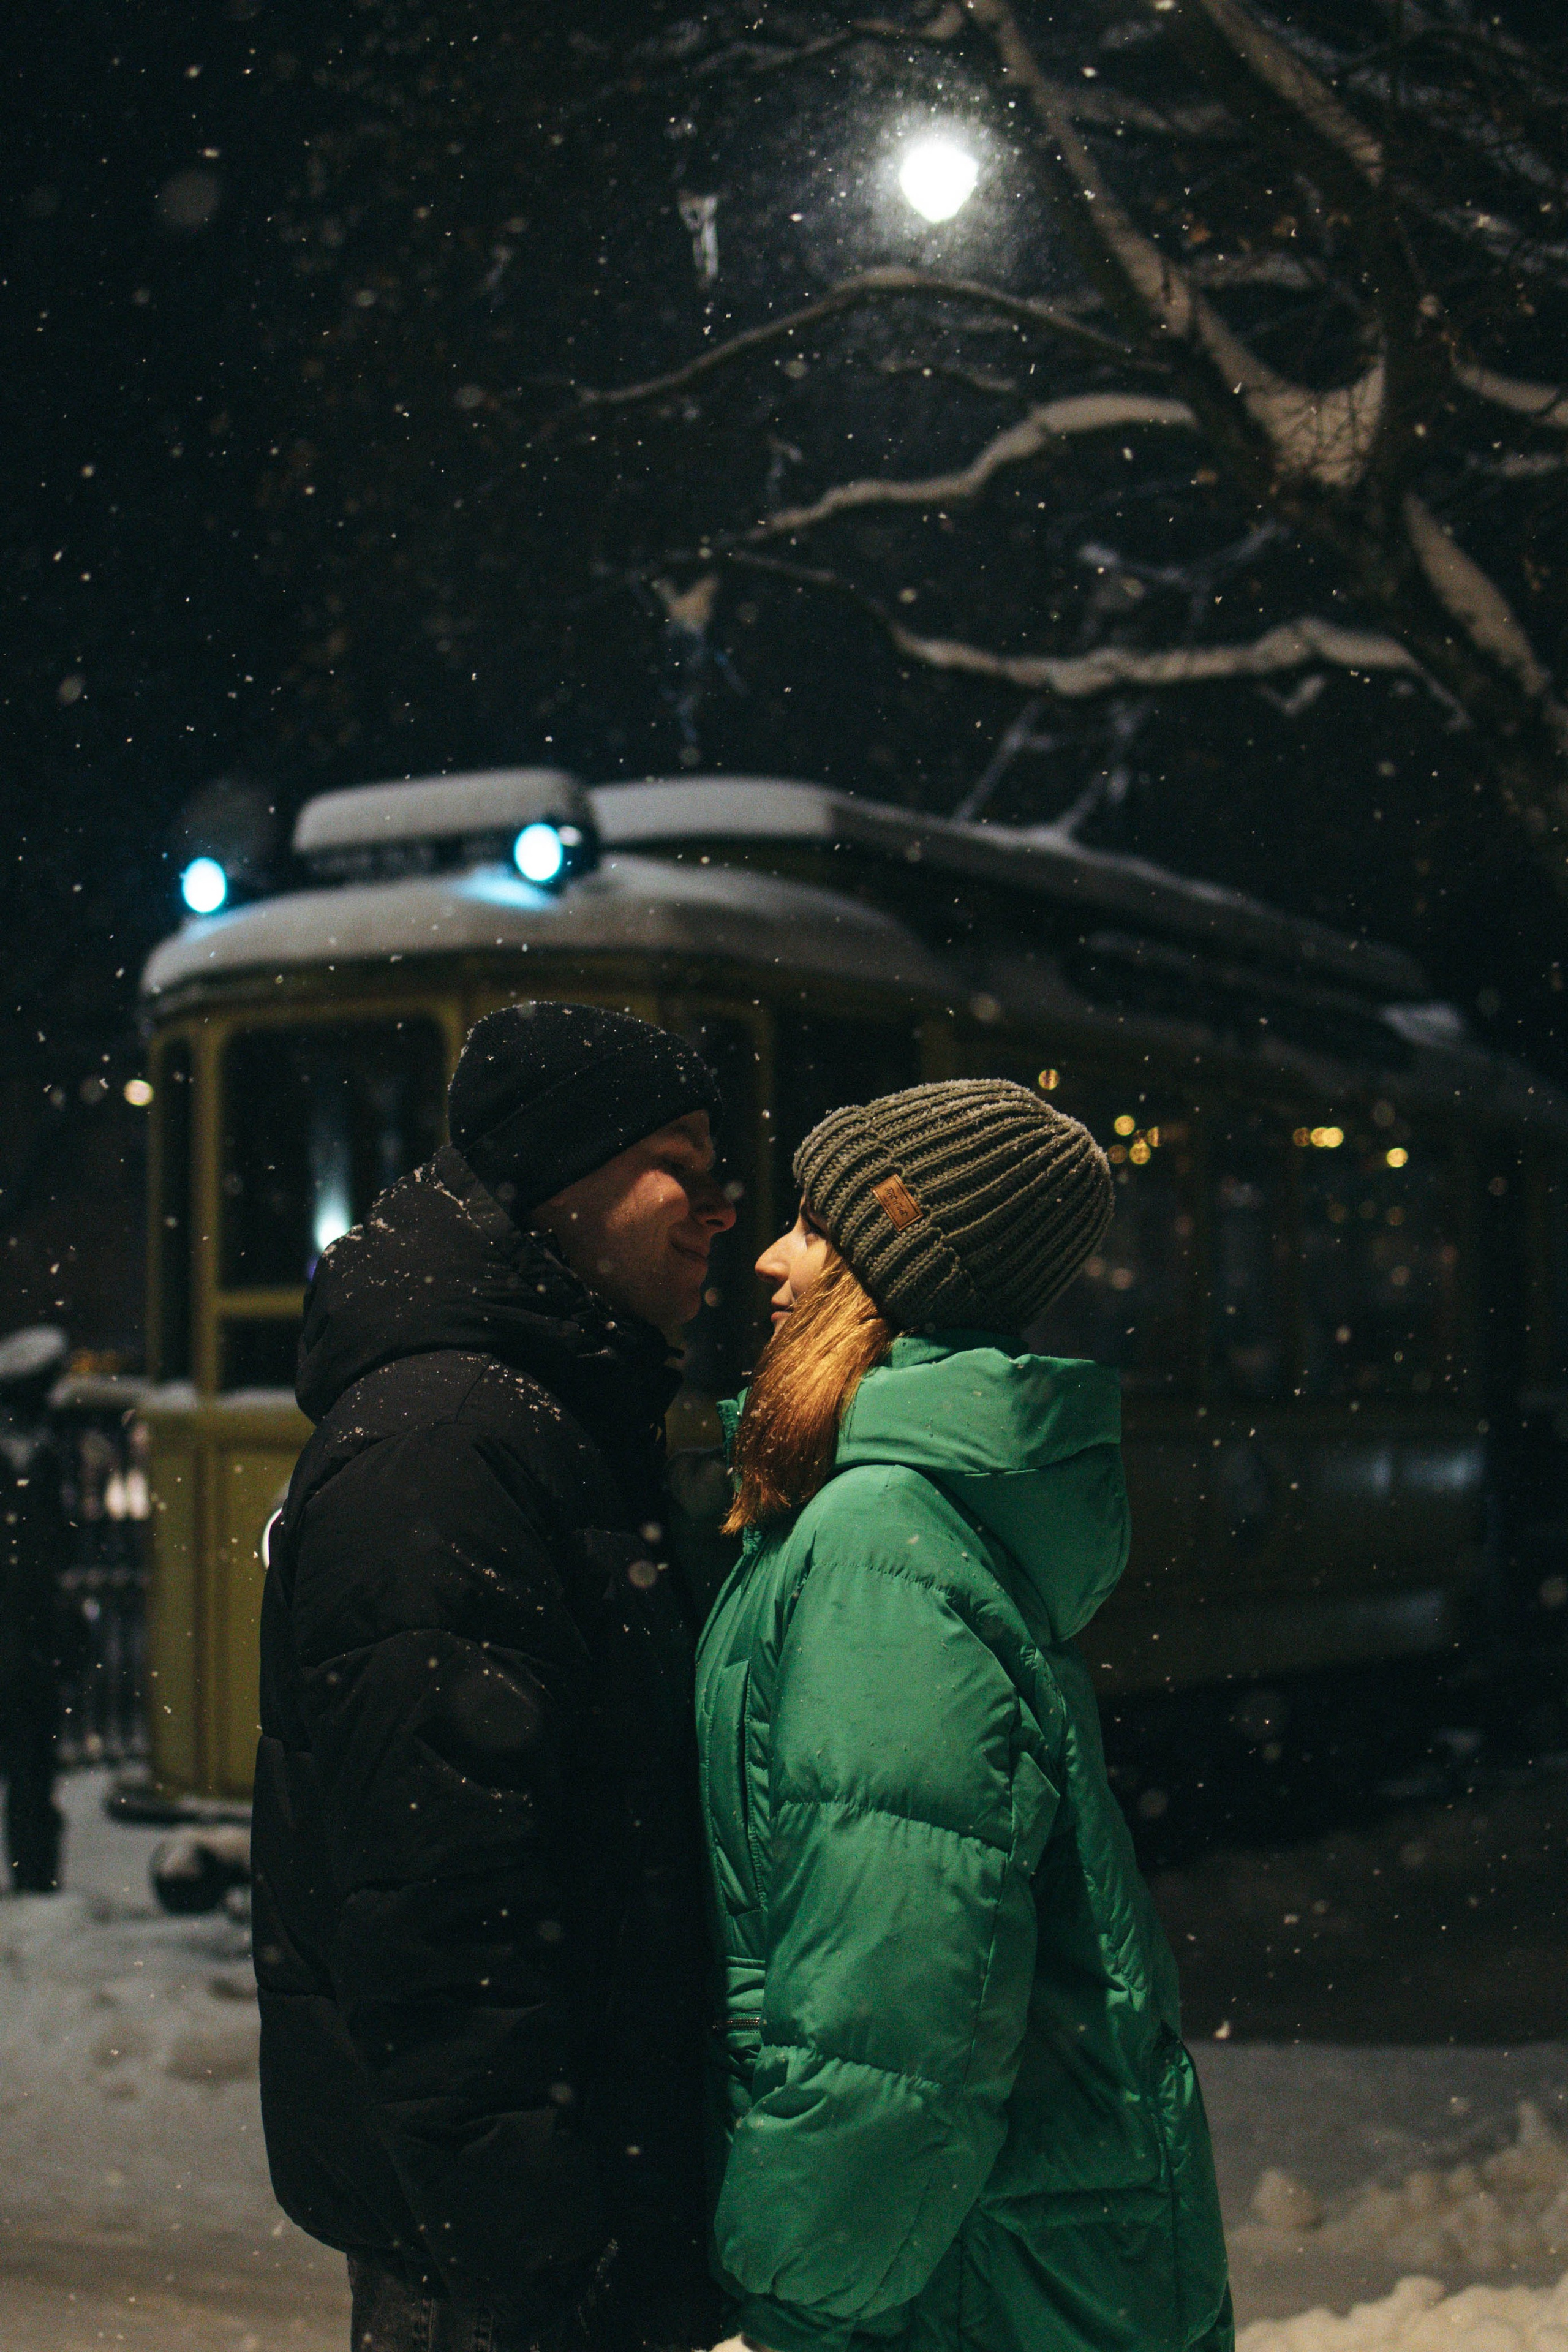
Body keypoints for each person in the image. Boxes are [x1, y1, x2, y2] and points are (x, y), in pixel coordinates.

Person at [697, 1080, 1233, 2352]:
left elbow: (895, 2004)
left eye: (814, 1230)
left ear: (884, 1280)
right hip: (995, 2259)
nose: (770, 1258)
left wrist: (799, 2292)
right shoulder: (901, 1519)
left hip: (945, 2287)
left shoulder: (874, 1538)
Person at [251, 1002, 736, 2352]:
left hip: (557, 2216)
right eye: (677, 1166)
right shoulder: (453, 1442)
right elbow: (437, 1910)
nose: (720, 1211)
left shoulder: (545, 1412)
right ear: (561, 1178)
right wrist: (539, 2266)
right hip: (512, 2257)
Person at [0, 1324, 74, 1894]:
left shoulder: (36, 1458)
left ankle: (35, 1874)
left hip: (27, 1639)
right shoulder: (32, 1462)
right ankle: (34, 1874)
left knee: (31, 1762)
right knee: (31, 1762)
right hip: (25, 1640)